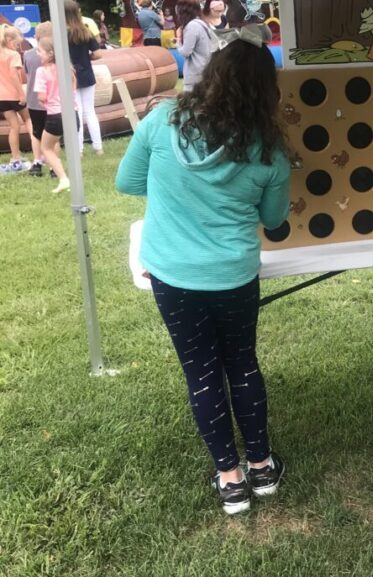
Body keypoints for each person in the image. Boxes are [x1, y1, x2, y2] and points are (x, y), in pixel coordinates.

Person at [115, 30, 291, 515]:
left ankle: (230, 481)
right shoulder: (269, 149)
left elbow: (126, 182)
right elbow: (274, 219)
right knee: (243, 365)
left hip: (173, 275)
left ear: (210, 74)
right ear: (267, 91)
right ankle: (262, 468)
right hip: (234, 274)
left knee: (202, 374)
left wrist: (175, 190)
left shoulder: (161, 122)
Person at [33, 36, 77, 194]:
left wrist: (43, 102)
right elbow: (73, 90)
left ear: (49, 53)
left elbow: (42, 96)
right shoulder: (68, 69)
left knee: (46, 147)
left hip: (55, 115)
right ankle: (74, 177)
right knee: (71, 146)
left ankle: (63, 178)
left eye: (40, 51)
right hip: (72, 112)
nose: (37, 53)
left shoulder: (42, 71)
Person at [64, 0, 104, 155]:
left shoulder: (61, 33)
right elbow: (98, 54)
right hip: (86, 73)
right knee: (90, 111)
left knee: (77, 112)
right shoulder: (85, 31)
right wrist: (87, 59)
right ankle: (98, 147)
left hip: (69, 74)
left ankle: (78, 150)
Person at [0, 24, 32, 173]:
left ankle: (15, 157)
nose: (18, 47)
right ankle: (40, 152)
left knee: (14, 126)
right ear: (8, 40)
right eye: (17, 44)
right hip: (14, 94)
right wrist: (21, 93)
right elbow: (14, 75)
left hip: (1, 97)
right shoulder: (13, 55)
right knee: (28, 120)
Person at [23, 22, 52, 177]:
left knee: (36, 133)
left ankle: (37, 162)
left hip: (34, 100)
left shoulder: (28, 55)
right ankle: (53, 166)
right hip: (53, 101)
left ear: (36, 36)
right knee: (52, 135)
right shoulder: (57, 54)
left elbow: (27, 75)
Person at [175, 0, 219, 92]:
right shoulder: (206, 24)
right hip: (207, 71)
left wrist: (178, 39)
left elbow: (186, 52)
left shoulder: (192, 26)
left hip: (195, 75)